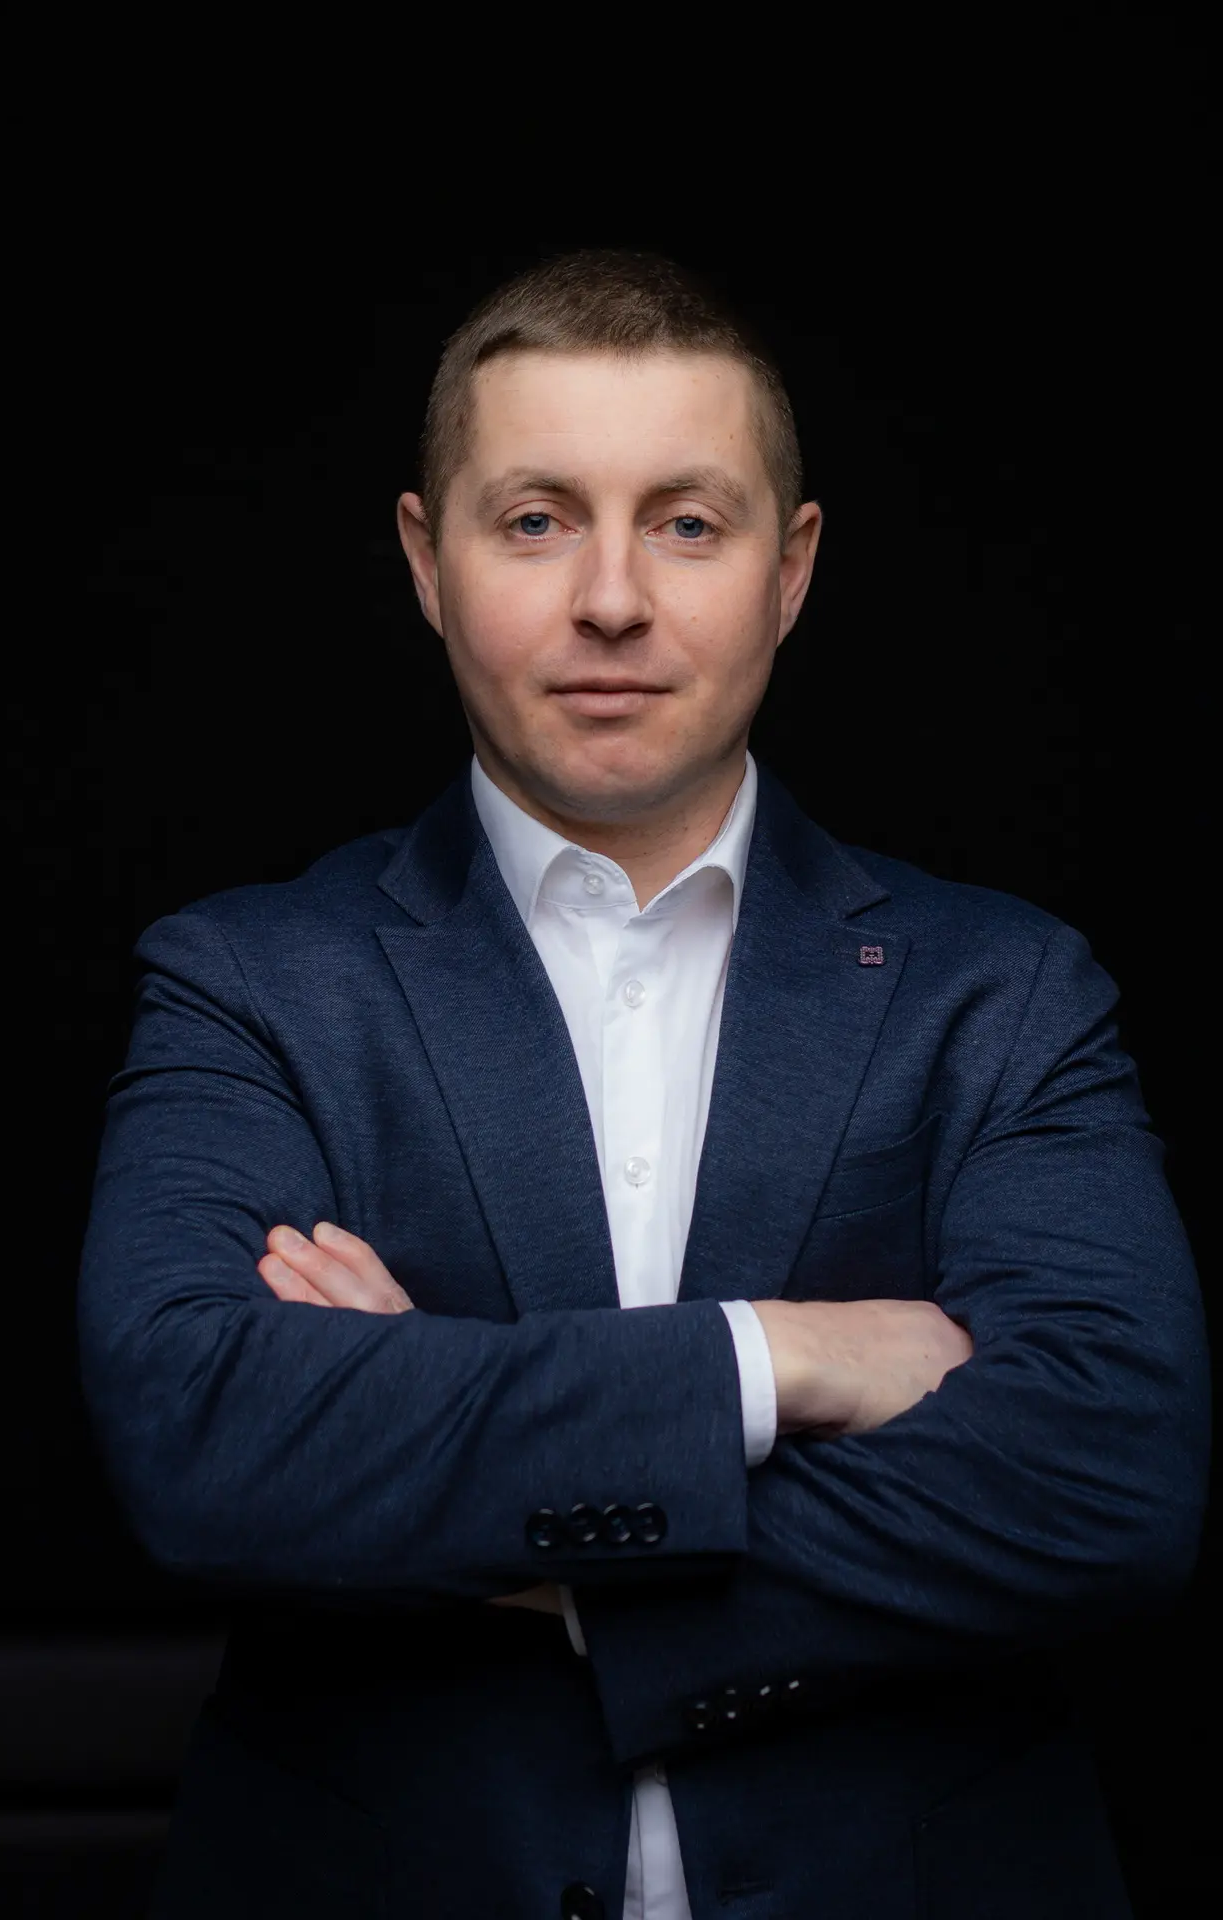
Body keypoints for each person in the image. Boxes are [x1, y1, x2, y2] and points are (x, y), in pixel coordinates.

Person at [78, 249, 1209, 1919]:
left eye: (686, 523)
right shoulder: (249, 983)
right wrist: (783, 1358)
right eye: (538, 520)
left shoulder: (1007, 991)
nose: (611, 597)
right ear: (428, 561)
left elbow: (1111, 1477)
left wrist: (488, 1510)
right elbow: (201, 1440)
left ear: (790, 570)